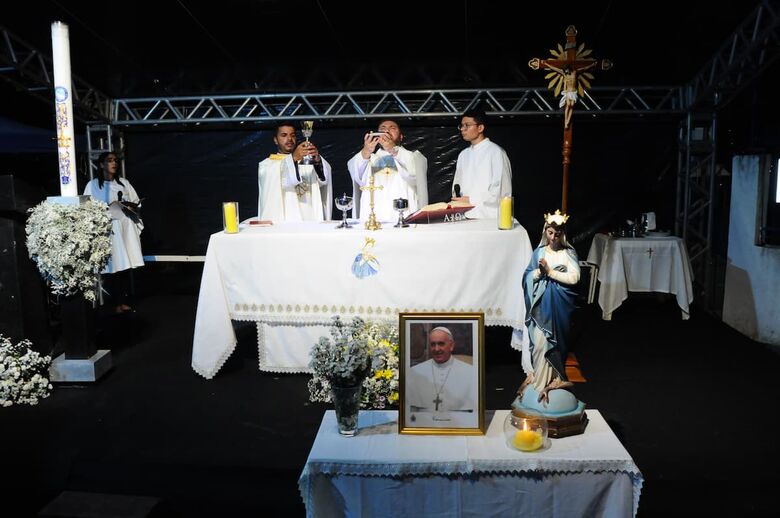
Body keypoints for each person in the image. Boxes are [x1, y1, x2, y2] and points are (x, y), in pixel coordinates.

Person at [518, 210, 581, 405]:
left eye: (557, 234)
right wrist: (538, 273)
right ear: (546, 231)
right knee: (538, 343)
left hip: (559, 307)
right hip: (540, 308)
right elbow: (526, 277)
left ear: (563, 234)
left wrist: (551, 272)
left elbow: (575, 277)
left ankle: (554, 378)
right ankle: (538, 380)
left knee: (555, 342)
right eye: (550, 232)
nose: (553, 238)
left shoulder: (568, 253)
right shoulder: (539, 252)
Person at [83, 151, 144, 313]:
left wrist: (132, 206)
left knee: (124, 266)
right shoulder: (93, 185)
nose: (114, 163)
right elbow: (87, 207)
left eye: (115, 160)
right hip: (108, 229)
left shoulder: (124, 183)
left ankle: (122, 302)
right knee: (111, 267)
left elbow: (136, 202)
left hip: (123, 227)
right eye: (110, 161)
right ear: (102, 164)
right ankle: (112, 304)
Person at [347, 119, 427, 221]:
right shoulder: (369, 158)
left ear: (401, 137)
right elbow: (356, 175)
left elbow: (415, 174)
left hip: (403, 216)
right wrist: (366, 151)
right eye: (383, 129)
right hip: (373, 217)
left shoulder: (412, 156)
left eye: (392, 128)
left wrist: (392, 149)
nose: (387, 131)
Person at [257, 122, 333, 221]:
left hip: (309, 219)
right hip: (285, 221)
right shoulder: (267, 166)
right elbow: (278, 182)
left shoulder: (306, 161)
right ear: (275, 140)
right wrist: (293, 158)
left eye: (292, 135)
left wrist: (318, 161)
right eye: (284, 135)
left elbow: (323, 182)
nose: (289, 139)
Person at [451, 109, 512, 220]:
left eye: (467, 125)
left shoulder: (496, 152)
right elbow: (457, 185)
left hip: (488, 216)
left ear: (480, 128)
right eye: (461, 126)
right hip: (464, 215)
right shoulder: (463, 155)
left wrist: (472, 199)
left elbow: (503, 191)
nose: (463, 129)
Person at [407, 327, 474, 414]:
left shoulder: (470, 372)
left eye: (441, 344)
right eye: (433, 344)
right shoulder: (414, 372)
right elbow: (411, 414)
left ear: (451, 346)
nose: (436, 349)